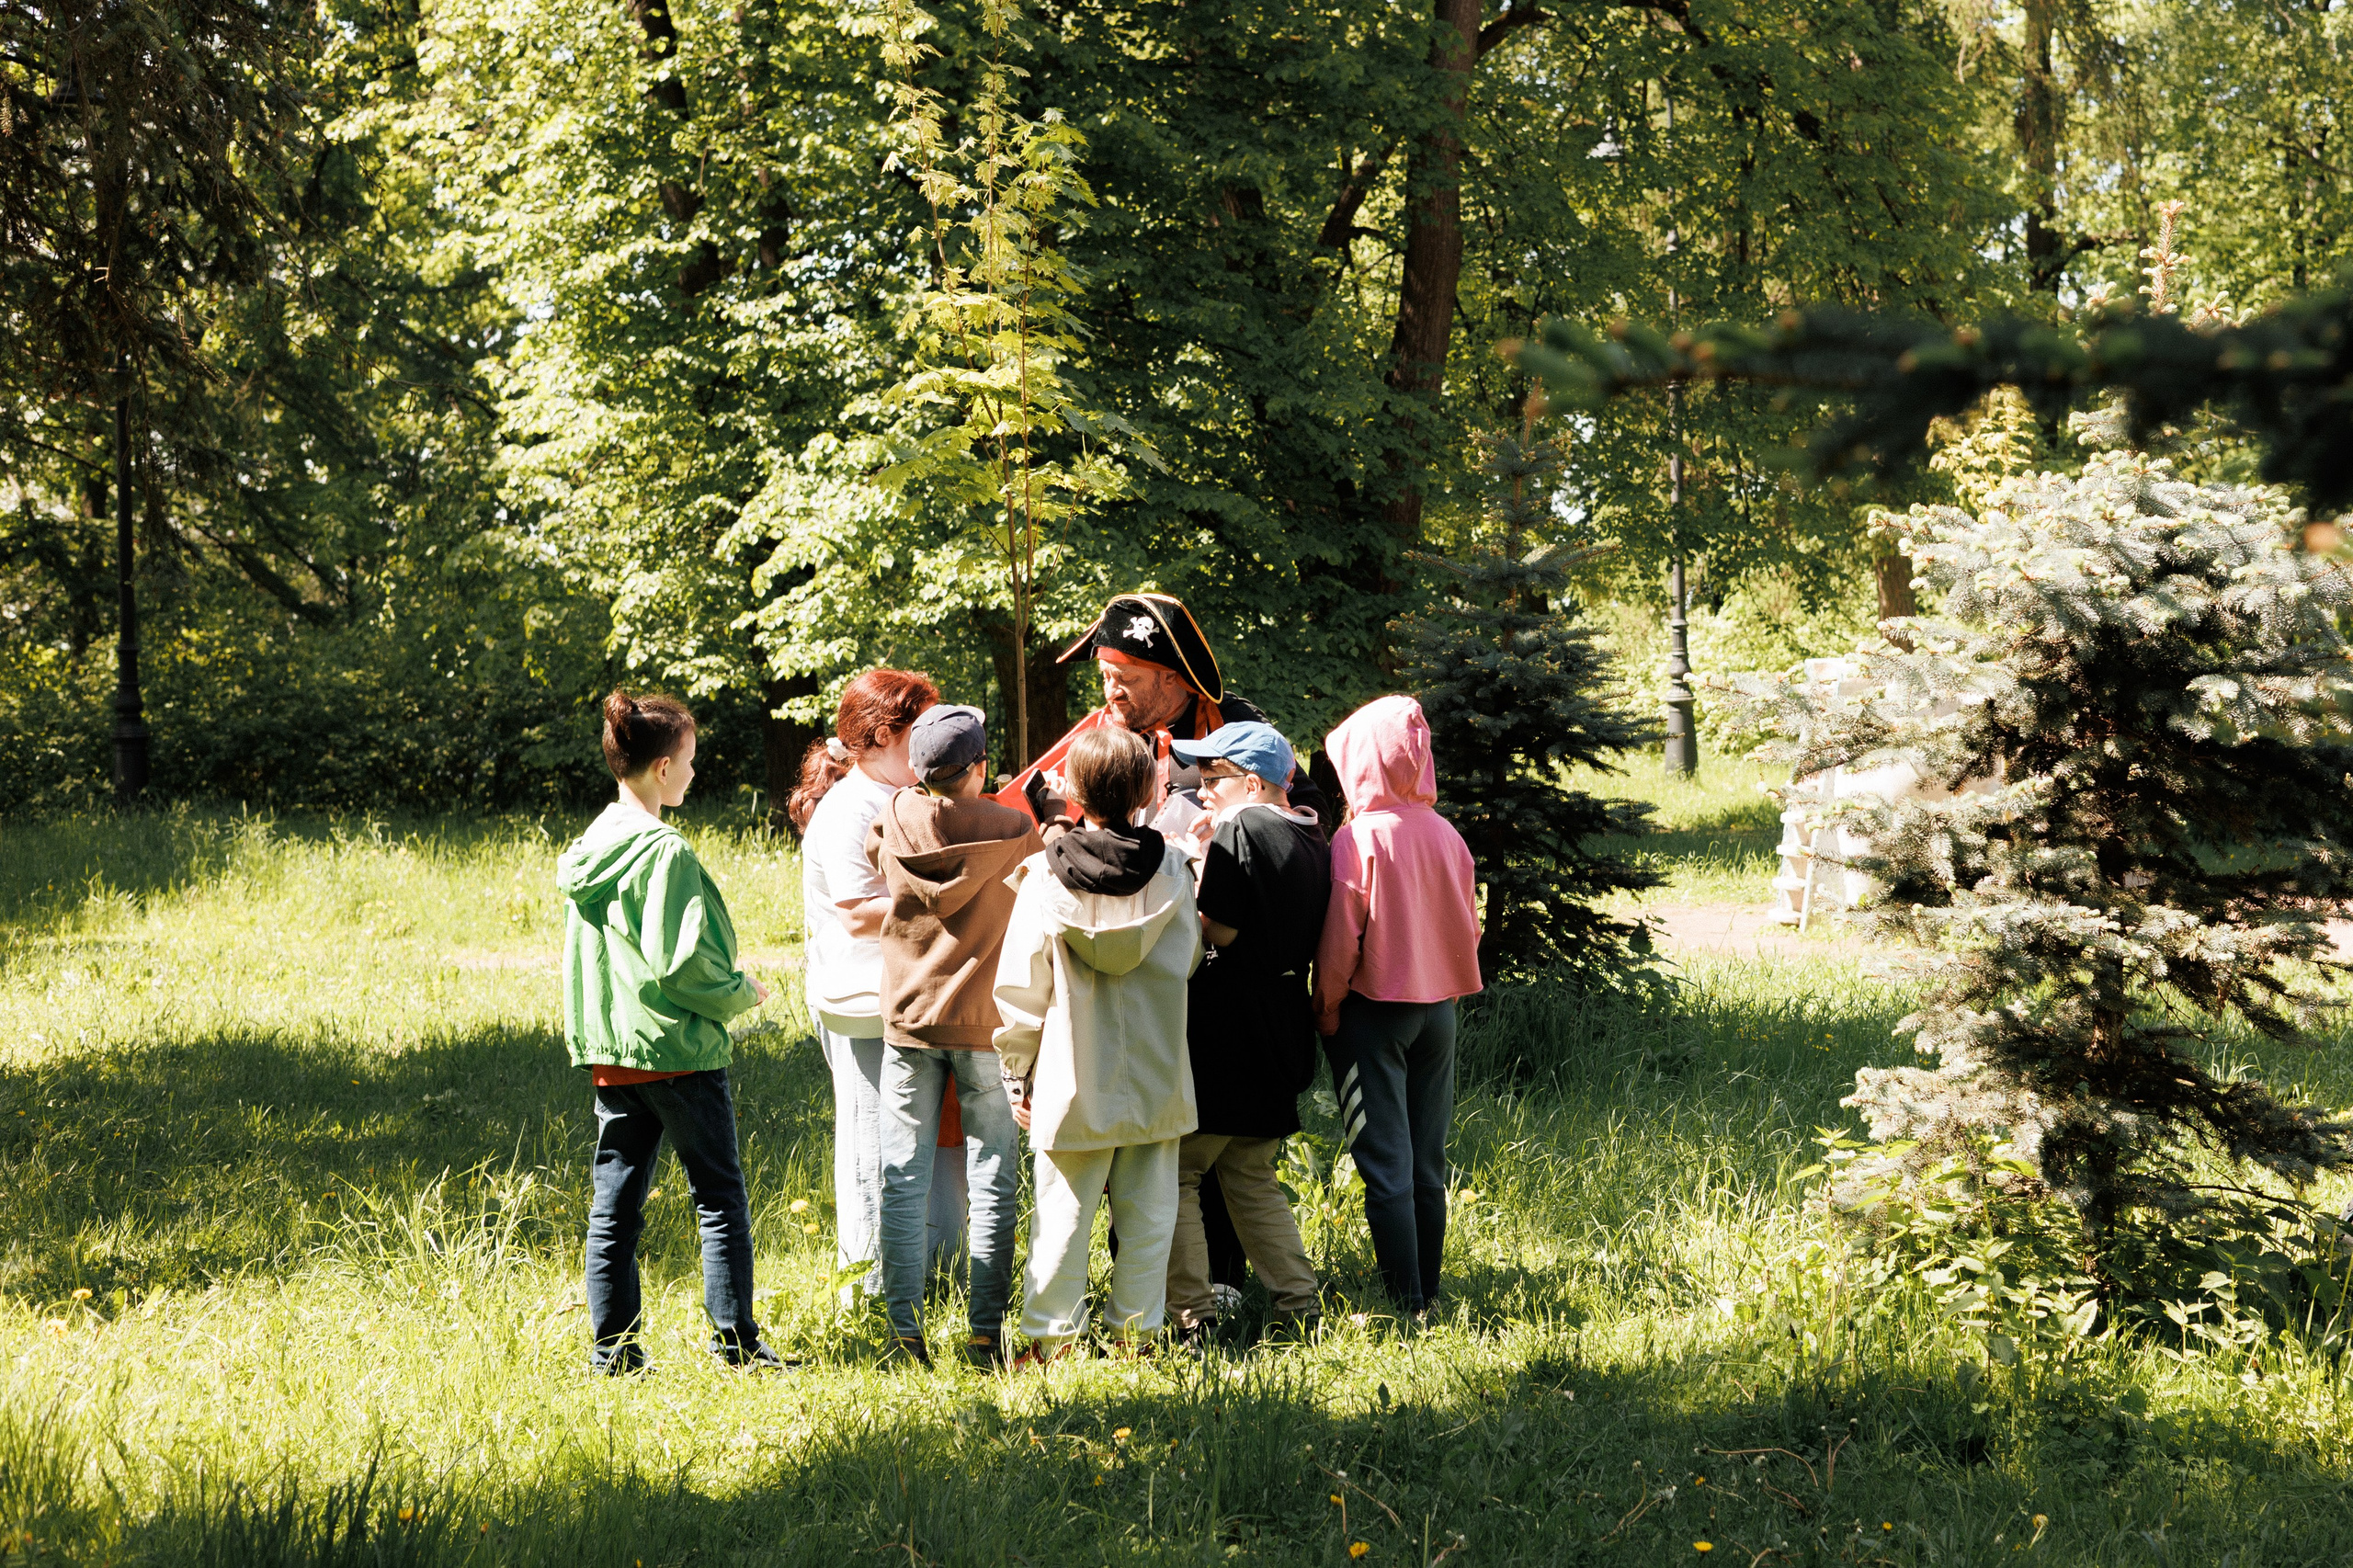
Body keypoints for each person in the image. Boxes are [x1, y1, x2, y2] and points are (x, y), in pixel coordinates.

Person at [559, 689, 780, 1375]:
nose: (693, 771)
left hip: (613, 1052)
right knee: (718, 1198)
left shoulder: (592, 843)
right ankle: (737, 1345)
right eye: (688, 760)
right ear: (661, 768)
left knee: (614, 1208)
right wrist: (741, 992)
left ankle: (613, 1353)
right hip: (678, 1050)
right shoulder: (665, 853)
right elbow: (684, 966)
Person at [993, 727, 1203, 1361]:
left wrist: (1016, 1071)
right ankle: (1136, 1336)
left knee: (1062, 1212)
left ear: (1075, 794)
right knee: (1150, 1215)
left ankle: (1050, 1340)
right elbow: (1190, 957)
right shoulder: (1174, 870)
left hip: (1069, 1069)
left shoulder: (1043, 877)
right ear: (1146, 792)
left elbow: (1020, 985)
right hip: (1156, 1064)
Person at [867, 704, 1042, 1369]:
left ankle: (903, 1333)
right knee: (993, 1179)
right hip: (988, 1027)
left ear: (918, 769)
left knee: (902, 1177)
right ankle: (984, 1336)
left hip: (910, 1020)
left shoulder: (894, 816)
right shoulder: (1015, 830)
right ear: (980, 768)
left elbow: (876, 851)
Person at [1313, 695, 1482, 1319]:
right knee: (1427, 1162)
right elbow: (1470, 929)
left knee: (1385, 1163)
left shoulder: (1356, 839)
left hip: (1373, 1015)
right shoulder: (1447, 835)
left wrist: (1326, 1008)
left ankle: (1406, 1305)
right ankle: (1429, 1294)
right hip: (1440, 1013)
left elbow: (1340, 942)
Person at [1164, 721, 1331, 1347]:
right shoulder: (1311, 832)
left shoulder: (1242, 828)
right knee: (1252, 1175)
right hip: (1282, 1018)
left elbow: (1222, 929)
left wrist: (1192, 867)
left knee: (1177, 1173)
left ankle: (1193, 1318)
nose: (1202, 790)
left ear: (1254, 783)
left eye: (1214, 778)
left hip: (1229, 1024)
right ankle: (1300, 1306)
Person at [786, 668, 938, 1304]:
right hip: (860, 1002)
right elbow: (855, 912)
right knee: (872, 1146)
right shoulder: (851, 808)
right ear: (879, 737)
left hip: (903, 994)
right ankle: (869, 1295)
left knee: (910, 1142)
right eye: (918, 731)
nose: (930, 743)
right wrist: (954, 895)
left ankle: (921, 1278)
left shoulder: (901, 794)